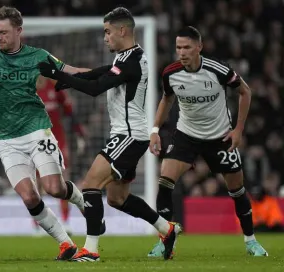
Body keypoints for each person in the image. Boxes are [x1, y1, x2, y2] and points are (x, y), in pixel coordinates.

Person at [0, 7, 95, 260]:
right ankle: (65, 244)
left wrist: (108, 74)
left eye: (4, 32)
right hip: (6, 139)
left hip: (37, 130)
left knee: (54, 188)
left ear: (19, 31)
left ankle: (80, 201)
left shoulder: (38, 56)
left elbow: (70, 71)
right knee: (29, 196)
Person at [38, 7, 182, 262]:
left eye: (107, 32)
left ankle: (91, 250)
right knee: (117, 198)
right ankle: (166, 228)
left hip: (128, 135)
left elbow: (96, 88)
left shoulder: (131, 61)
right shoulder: (128, 56)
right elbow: (100, 72)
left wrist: (57, 75)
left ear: (122, 30)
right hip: (129, 135)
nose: (105, 37)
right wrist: (69, 78)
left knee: (90, 184)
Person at [148, 26, 268, 257]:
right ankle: (165, 242)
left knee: (237, 190)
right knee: (164, 180)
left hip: (219, 136)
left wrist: (238, 130)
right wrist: (154, 129)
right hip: (186, 135)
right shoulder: (170, 73)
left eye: (187, 47)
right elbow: (167, 99)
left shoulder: (218, 70)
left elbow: (245, 92)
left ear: (199, 48)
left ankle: (251, 241)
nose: (182, 52)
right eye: (178, 47)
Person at [34, 78, 86, 235]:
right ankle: (39, 225)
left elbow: (70, 112)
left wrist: (80, 134)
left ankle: (66, 221)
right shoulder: (27, 88)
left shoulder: (55, 86)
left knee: (62, 180)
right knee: (37, 184)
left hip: (58, 140)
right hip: (36, 141)